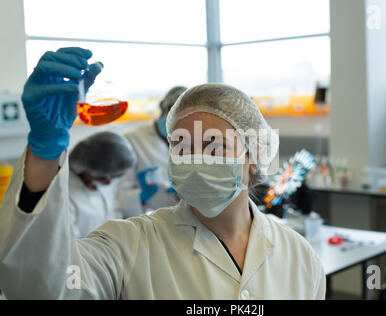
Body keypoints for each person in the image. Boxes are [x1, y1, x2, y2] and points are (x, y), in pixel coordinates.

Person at [0, 47, 326, 299]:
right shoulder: (128, 246)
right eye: (181, 147)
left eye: (214, 146)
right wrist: (45, 151)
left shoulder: (299, 256)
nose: (196, 159)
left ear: (254, 156)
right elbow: (42, 286)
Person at [117, 86, 186, 218]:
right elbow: (120, 192)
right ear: (162, 110)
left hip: (184, 218)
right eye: (172, 115)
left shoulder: (192, 140)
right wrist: (140, 197)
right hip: (147, 219)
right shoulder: (132, 139)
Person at [68, 131, 137, 238]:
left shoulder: (101, 184)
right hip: (85, 253)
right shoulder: (66, 196)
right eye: (108, 177)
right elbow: (69, 245)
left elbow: (112, 214)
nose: (109, 182)